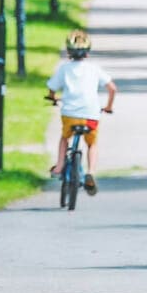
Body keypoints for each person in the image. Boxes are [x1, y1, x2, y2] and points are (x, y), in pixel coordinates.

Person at [47, 30, 117, 196]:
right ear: (87, 51)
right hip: (91, 115)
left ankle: (59, 165)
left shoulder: (64, 69)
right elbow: (112, 88)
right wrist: (108, 106)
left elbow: (52, 87)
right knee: (92, 143)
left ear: (69, 51)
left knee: (65, 137)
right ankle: (91, 172)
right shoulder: (94, 69)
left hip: (69, 114)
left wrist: (52, 98)